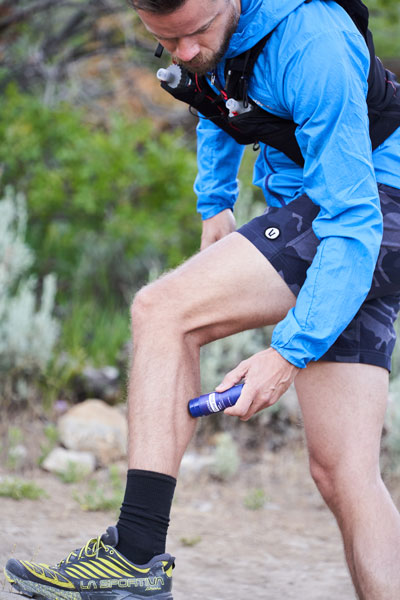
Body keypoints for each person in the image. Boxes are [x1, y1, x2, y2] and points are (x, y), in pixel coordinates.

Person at [5, 0, 400, 598]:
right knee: (345, 473)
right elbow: (217, 94)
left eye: (195, 32)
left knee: (163, 310)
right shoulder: (215, 34)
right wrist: (214, 199)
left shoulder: (313, 42)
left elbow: (351, 220)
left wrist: (289, 353)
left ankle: (134, 556)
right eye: (167, 40)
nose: (185, 52)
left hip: (371, 210)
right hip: (344, 212)